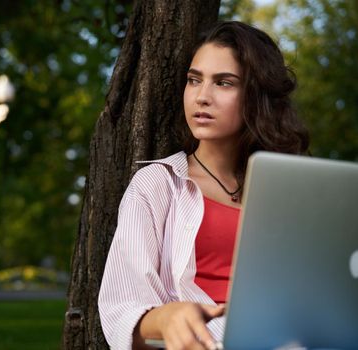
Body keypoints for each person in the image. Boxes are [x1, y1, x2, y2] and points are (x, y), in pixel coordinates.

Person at [98, 21, 309, 350]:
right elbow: (121, 309)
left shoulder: (287, 193)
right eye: (194, 80)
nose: (202, 97)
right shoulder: (158, 185)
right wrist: (168, 318)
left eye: (224, 83)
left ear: (256, 96)